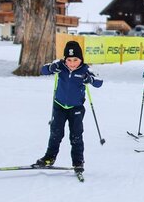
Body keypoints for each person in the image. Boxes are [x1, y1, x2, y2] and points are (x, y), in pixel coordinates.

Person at [34, 40, 104, 173]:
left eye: (75, 60)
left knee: (76, 135)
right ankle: (49, 158)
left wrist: (90, 80)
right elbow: (43, 70)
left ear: (81, 59)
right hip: (59, 106)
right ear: (65, 59)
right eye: (69, 60)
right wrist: (50, 68)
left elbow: (99, 82)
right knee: (56, 133)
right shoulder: (60, 65)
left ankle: (78, 162)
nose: (72, 63)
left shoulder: (86, 69)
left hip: (76, 108)